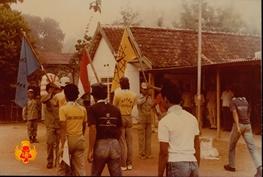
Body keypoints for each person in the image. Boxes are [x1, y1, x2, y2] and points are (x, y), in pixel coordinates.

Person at [158, 80, 200, 177]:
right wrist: (196, 167)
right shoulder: (192, 118)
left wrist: (159, 174)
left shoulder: (165, 121)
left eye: (161, 98)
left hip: (176, 164)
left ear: (166, 99)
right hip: (193, 164)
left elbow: (163, 153)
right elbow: (197, 146)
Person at [224, 85, 262, 177]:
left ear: (234, 93)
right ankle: (260, 168)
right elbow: (249, 112)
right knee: (252, 148)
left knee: (232, 146)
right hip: (247, 125)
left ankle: (232, 166)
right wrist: (247, 121)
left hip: (239, 125)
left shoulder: (233, 101)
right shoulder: (245, 101)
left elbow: (234, 113)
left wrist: (237, 126)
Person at [88, 83, 122, 176]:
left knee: (96, 174)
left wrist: (90, 150)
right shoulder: (116, 109)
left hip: (100, 144)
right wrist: (115, 142)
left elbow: (93, 128)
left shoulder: (92, 109)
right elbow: (120, 129)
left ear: (94, 96)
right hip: (115, 144)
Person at [58, 84, 87, 176]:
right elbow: (84, 126)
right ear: (77, 95)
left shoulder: (63, 109)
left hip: (67, 141)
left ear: (65, 95)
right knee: (80, 169)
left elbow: (63, 129)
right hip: (79, 139)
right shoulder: (83, 109)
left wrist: (62, 146)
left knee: (62, 169)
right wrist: (80, 136)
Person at [112, 77, 137, 171]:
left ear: (121, 84)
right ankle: (129, 163)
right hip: (129, 117)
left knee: (122, 143)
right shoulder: (134, 94)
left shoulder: (117, 94)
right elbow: (133, 105)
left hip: (121, 117)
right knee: (129, 142)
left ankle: (123, 164)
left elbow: (114, 106)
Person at [41, 82, 61, 169]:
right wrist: (50, 93)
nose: (54, 90)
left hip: (59, 124)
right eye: (52, 88)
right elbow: (43, 100)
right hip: (50, 125)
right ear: (48, 89)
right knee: (50, 143)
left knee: (59, 144)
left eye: (55, 89)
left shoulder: (59, 97)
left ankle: (58, 161)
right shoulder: (46, 97)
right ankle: (50, 161)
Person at [137, 82, 155, 160]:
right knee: (141, 137)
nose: (145, 91)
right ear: (141, 89)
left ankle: (148, 153)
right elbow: (139, 103)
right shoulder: (139, 97)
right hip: (141, 118)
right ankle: (142, 154)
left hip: (149, 118)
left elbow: (151, 105)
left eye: (147, 89)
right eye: (144, 89)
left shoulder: (150, 98)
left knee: (148, 137)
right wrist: (146, 97)